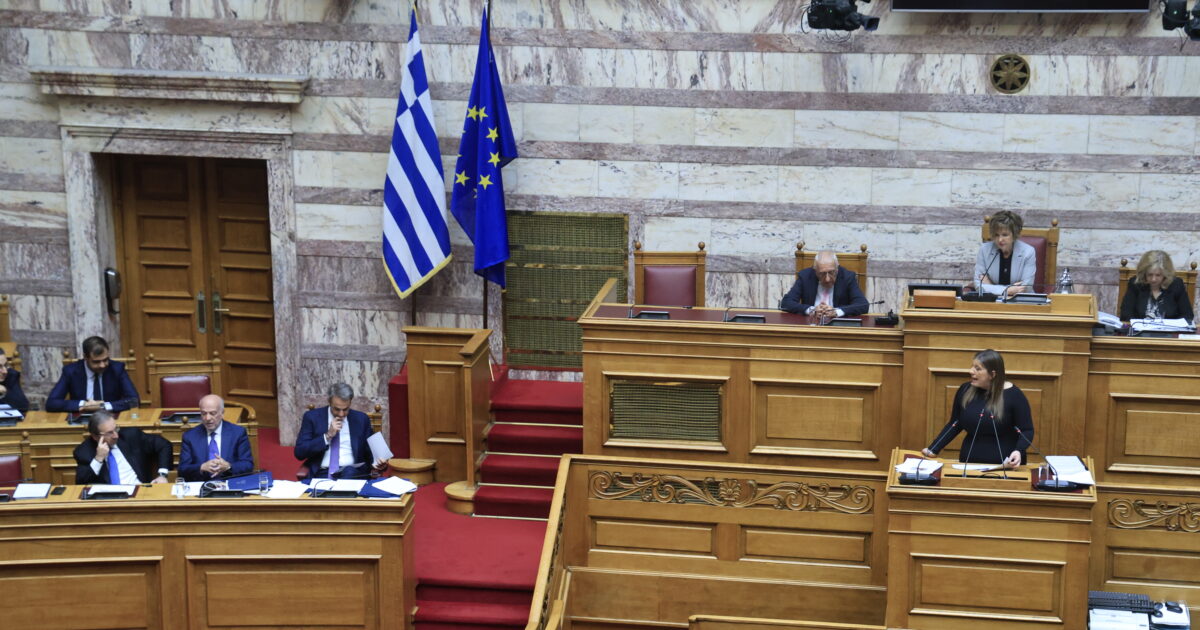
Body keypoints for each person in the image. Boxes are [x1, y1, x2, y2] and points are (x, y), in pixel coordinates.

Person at [921, 349, 1034, 467]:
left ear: (992, 374)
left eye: (978, 369)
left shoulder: (1014, 395)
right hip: (969, 462)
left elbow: (1026, 430)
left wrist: (1019, 450)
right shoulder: (965, 390)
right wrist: (934, 448)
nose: (971, 371)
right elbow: (955, 423)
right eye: (972, 367)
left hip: (1005, 464)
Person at [294, 382, 388, 480]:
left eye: (345, 409)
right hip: (323, 473)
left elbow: (371, 452)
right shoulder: (312, 418)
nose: (341, 414)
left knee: (349, 472)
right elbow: (300, 452)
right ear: (329, 402)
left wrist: (379, 462)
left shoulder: (361, 419)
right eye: (337, 409)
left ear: (350, 402)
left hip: (353, 473)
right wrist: (327, 436)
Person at [73, 410, 172, 484]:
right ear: (95, 436)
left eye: (116, 429)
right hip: (108, 500)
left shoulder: (131, 436)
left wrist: (162, 475)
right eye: (109, 433)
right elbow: (81, 482)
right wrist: (98, 458)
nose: (116, 435)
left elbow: (164, 445)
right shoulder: (84, 452)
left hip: (139, 492)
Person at [46, 336, 140, 413]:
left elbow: (134, 400)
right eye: (96, 362)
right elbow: (52, 403)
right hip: (81, 419)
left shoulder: (117, 369)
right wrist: (84, 405)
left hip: (110, 419)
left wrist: (103, 406)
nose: (102, 365)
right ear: (85, 357)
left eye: (105, 360)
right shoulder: (71, 371)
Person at [178, 394, 254, 482]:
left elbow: (248, 465)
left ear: (222, 413)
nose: (207, 418)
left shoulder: (237, 433)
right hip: (201, 484)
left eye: (212, 413)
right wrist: (201, 467)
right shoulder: (190, 436)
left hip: (229, 483)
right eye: (203, 413)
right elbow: (182, 469)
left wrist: (228, 466)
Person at [780, 251, 870, 318]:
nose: (827, 279)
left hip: (838, 326)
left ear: (837, 268)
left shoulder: (847, 277)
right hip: (811, 324)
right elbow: (786, 303)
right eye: (822, 274)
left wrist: (836, 312)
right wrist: (811, 310)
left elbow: (863, 305)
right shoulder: (805, 276)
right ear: (815, 270)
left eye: (831, 272)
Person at [971, 211, 1036, 298]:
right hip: (992, 302)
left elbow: (1025, 287)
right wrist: (1008, 290)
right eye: (996, 235)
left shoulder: (1028, 252)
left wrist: (990, 286)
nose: (1000, 240)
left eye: (1005, 235)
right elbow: (978, 285)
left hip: (1021, 301)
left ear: (1015, 234)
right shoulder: (984, 250)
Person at [1119, 250, 1194, 322]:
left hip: (1169, 330)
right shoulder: (1136, 284)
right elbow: (1125, 315)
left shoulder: (1176, 285)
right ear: (1144, 273)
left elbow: (1187, 316)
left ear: (1166, 274)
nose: (1153, 279)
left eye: (1158, 275)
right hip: (1140, 330)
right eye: (1150, 274)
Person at [0, 348, 29, 413]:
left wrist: (5, 392)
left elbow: (23, 406)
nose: (5, 371)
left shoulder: (10, 375)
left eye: (5, 365)